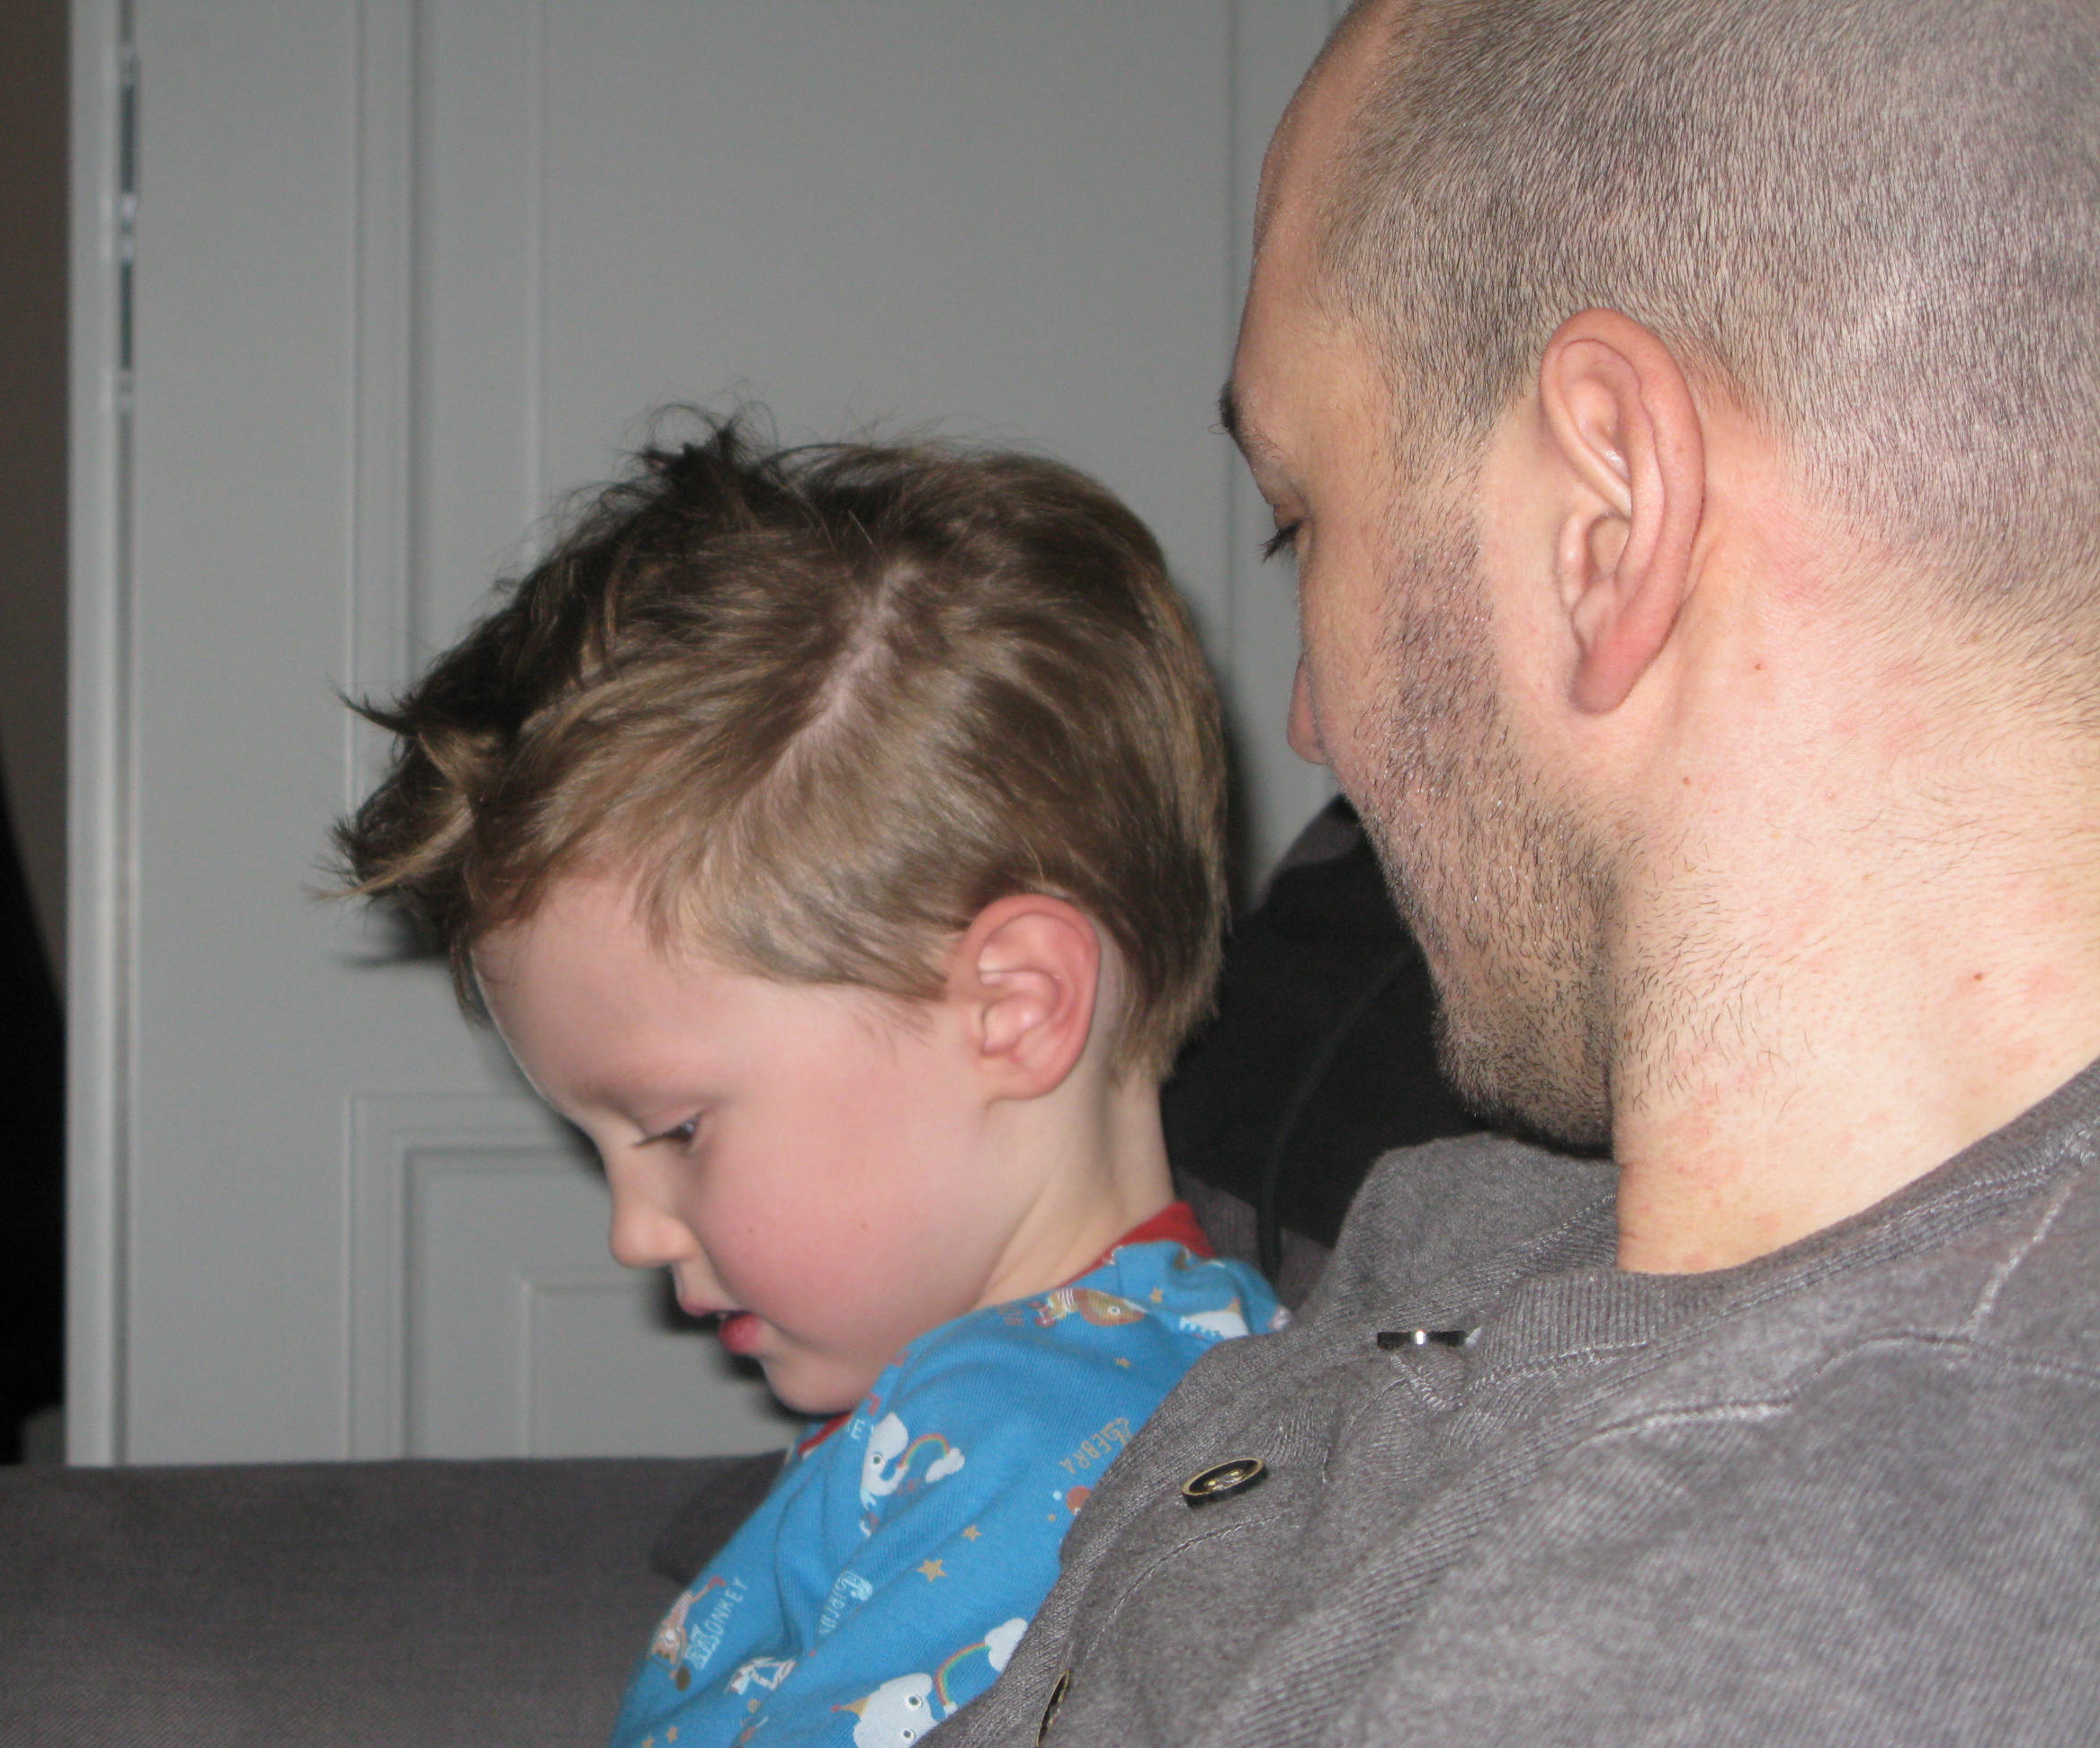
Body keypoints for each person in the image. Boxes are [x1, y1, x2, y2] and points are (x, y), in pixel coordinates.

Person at [942, 0, 2100, 1741]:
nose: (1311, 720)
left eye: (1301, 520)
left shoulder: (1802, 1616)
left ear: (1605, 524)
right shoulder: (1492, 1230)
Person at [335, 415, 1279, 1748]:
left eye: (676, 1130)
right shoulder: (1041, 1391)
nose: (633, 1232)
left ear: (1014, 1010)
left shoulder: (1042, 1457)